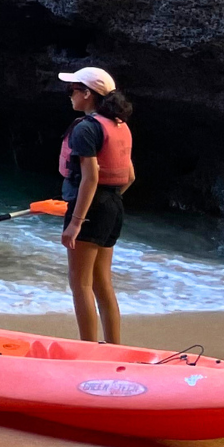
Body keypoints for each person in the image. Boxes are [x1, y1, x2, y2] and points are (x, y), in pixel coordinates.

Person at [57, 66, 136, 343]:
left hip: (91, 207)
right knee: (103, 283)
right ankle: (114, 346)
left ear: (87, 94)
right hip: (114, 204)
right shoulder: (119, 125)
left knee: (80, 283)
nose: (70, 96)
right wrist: (108, 201)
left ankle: (88, 348)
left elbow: (90, 177)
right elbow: (130, 176)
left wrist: (77, 222)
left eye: (73, 90)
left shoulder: (87, 128)